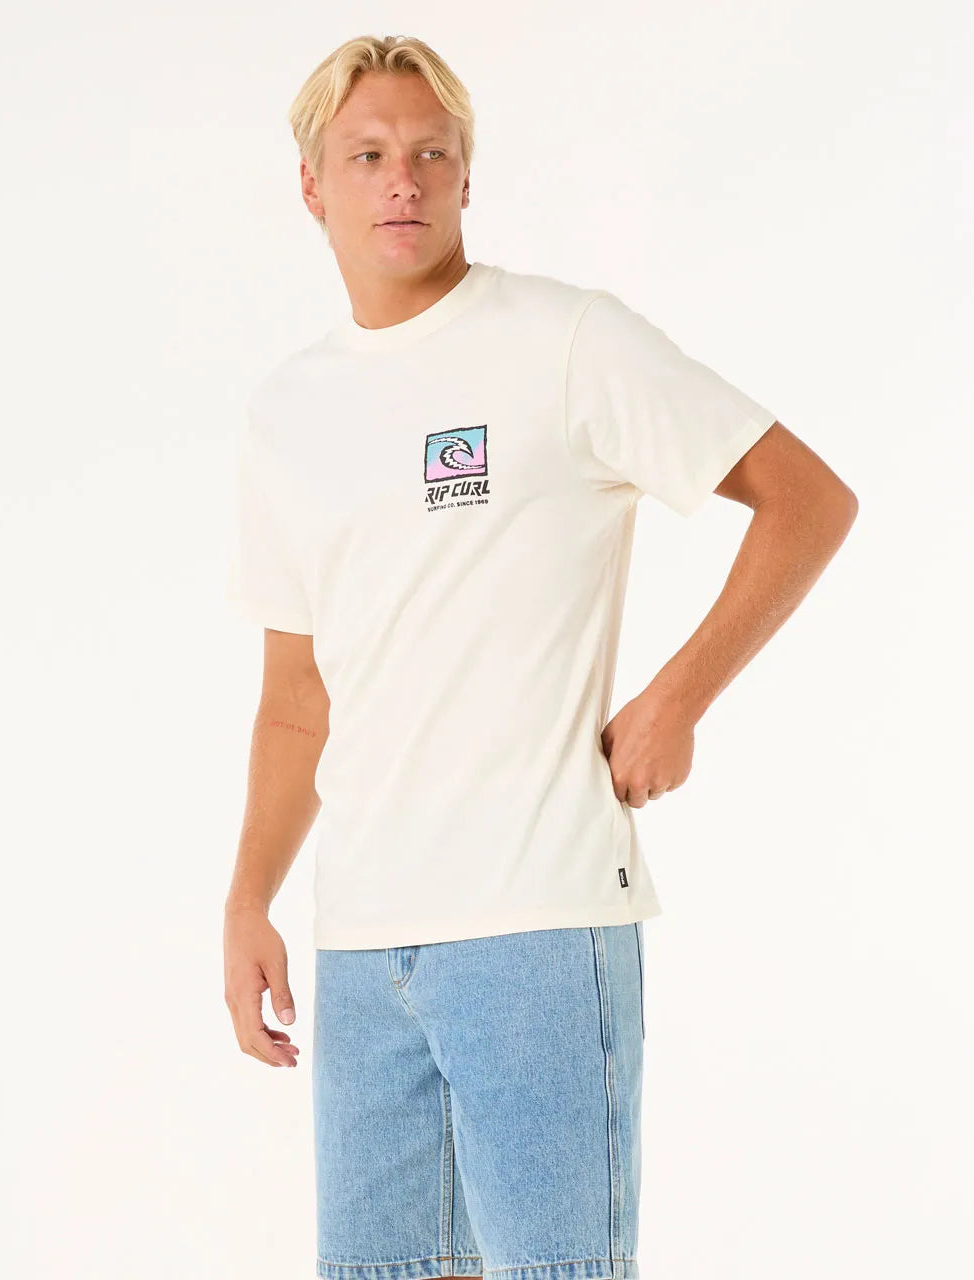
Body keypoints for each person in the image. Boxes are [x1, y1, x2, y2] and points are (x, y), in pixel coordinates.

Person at [222, 33, 858, 1280]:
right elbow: (297, 698)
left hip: (539, 925)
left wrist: (678, 696)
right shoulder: (286, 413)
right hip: (364, 943)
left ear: (467, 174)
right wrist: (250, 898)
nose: (402, 180)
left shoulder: (566, 342)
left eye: (430, 153)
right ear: (311, 185)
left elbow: (808, 500)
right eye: (368, 155)